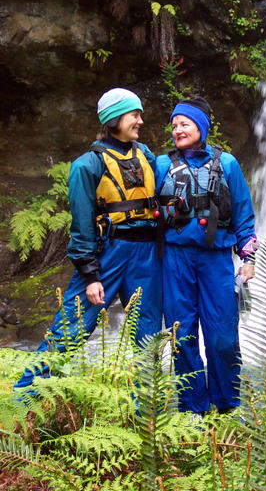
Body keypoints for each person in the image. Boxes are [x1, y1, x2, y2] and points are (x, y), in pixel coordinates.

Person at [14, 88, 162, 392]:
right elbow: (82, 225)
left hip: (147, 253)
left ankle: (145, 412)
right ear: (115, 118)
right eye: (135, 114)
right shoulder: (87, 165)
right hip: (108, 251)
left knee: (147, 334)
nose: (141, 121)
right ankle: (26, 397)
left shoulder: (145, 154)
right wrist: (91, 274)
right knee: (72, 327)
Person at [156, 97, 257, 415]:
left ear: (201, 126)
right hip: (175, 259)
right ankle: (192, 408)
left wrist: (248, 258)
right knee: (181, 334)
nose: (178, 130)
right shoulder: (161, 165)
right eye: (174, 125)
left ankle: (227, 404)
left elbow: (243, 212)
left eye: (184, 123)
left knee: (222, 336)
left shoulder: (227, 164)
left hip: (216, 260)